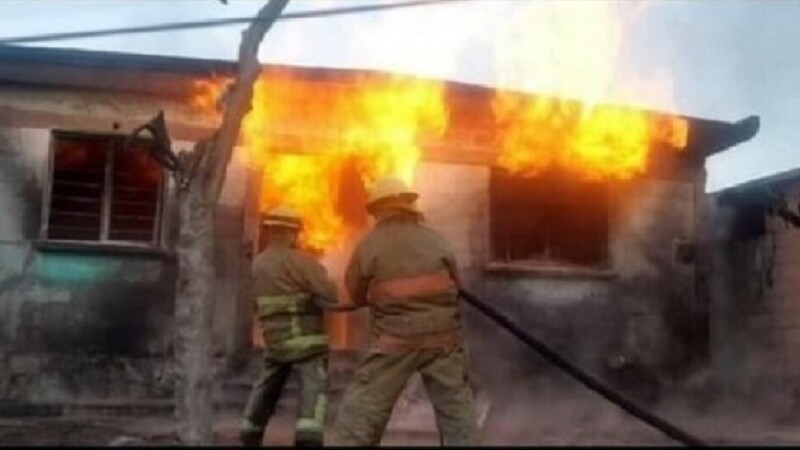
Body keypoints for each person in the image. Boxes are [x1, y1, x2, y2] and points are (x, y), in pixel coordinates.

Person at [332, 177, 479, 446]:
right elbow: (457, 286)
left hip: (395, 342)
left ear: (377, 209)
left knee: (364, 407)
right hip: (442, 340)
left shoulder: (370, 245)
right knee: (456, 409)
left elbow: (355, 292)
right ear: (410, 205)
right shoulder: (437, 240)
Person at [240, 205, 355, 447]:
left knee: (266, 386)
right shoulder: (302, 261)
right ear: (294, 233)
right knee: (314, 388)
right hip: (307, 342)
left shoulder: (259, 263)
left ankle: (250, 431)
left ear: (270, 232)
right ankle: (308, 438)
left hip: (274, 341)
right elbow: (329, 294)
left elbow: (255, 302)